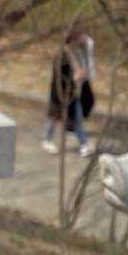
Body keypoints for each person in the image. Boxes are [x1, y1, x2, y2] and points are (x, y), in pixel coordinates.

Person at [41, 27, 95, 158]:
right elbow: (60, 77)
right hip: (60, 94)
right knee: (53, 118)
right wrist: (74, 77)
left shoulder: (75, 54)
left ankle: (83, 145)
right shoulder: (62, 57)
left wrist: (80, 76)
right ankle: (47, 140)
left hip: (72, 94)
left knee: (77, 118)